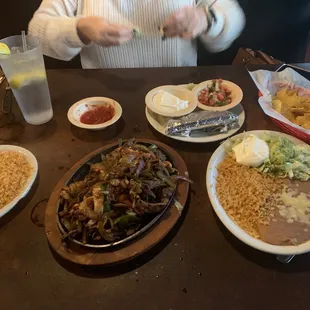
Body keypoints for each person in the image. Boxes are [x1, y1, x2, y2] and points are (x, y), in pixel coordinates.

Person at [28, 0, 245, 69]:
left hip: (180, 95)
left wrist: (205, 18)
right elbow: (37, 30)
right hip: (106, 100)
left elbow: (232, 15)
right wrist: (80, 29)